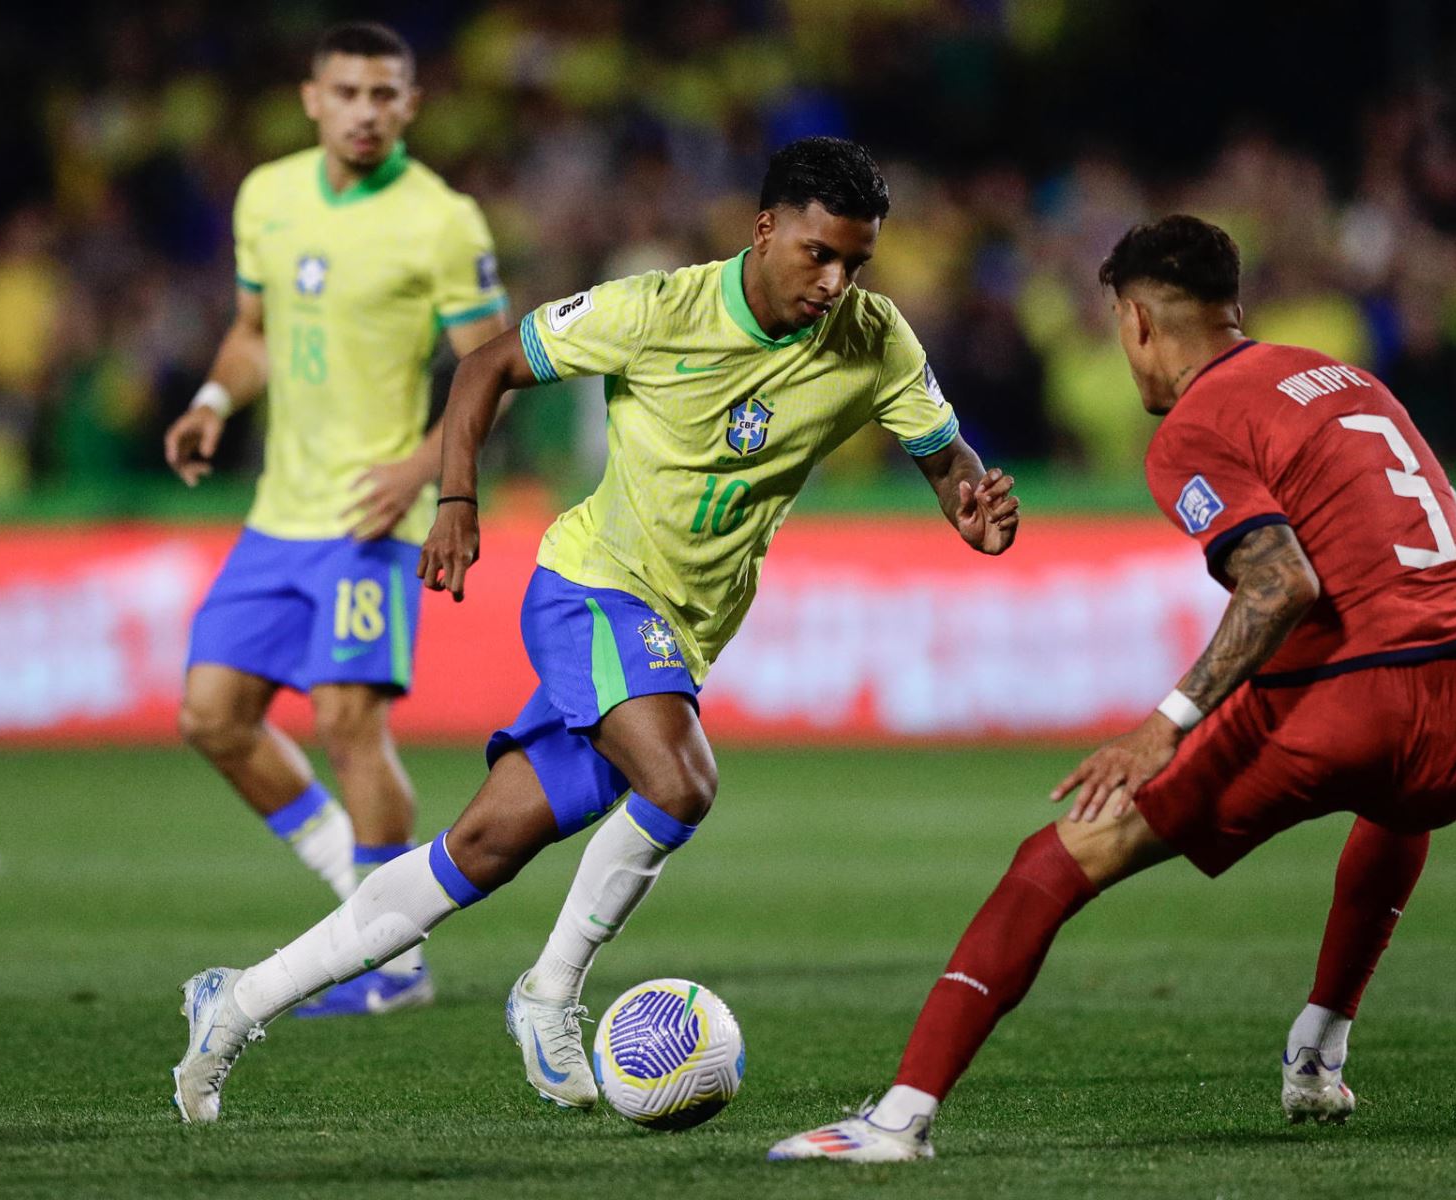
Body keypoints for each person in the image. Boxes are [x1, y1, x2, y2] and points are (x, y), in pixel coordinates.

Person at [169, 136, 1023, 1122]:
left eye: (856, 262)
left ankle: (234, 1003)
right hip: (593, 589)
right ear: (766, 229)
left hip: (684, 633)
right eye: (819, 255)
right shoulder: (656, 310)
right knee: (683, 778)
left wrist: (971, 505)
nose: (836, 282)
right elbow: (486, 365)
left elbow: (944, 453)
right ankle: (549, 994)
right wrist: (454, 498)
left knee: (479, 851)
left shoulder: (874, 339)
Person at [770, 214, 1456, 1162]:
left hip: (1356, 699)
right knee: (1400, 802)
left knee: (1059, 854)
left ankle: (897, 1120)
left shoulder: (1198, 423)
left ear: (1137, 324)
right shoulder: (1347, 380)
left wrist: (1165, 727)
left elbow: (1281, 581)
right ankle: (1319, 1049)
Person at [160, 21, 509, 1019]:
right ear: (312, 97)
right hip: (281, 514)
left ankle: (392, 965)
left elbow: (492, 370)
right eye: (348, 92)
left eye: (385, 94)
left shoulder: (441, 221)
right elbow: (253, 334)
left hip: (371, 517)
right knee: (212, 717)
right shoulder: (266, 195)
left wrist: (420, 468)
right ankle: (365, 906)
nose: (366, 110)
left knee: (350, 724)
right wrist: (213, 403)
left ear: (411, 104)